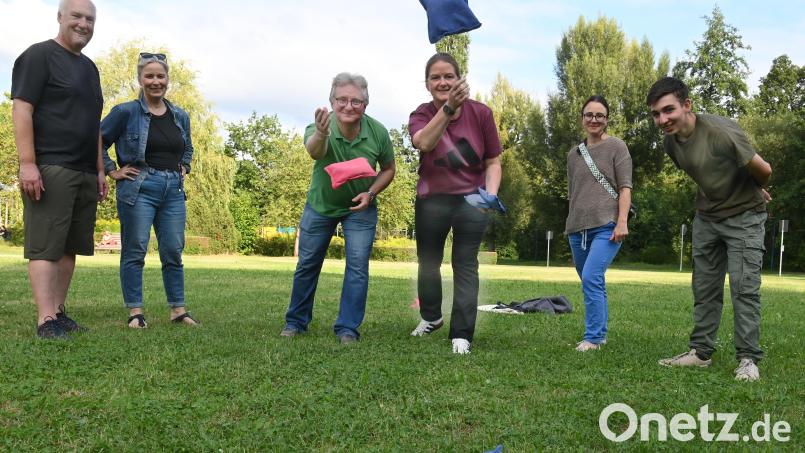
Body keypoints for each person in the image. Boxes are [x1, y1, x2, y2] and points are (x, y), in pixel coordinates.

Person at [648, 77, 772, 381]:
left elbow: (765, 170)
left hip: (745, 216)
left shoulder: (721, 132)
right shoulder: (670, 142)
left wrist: (757, 189)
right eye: (656, 114)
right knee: (704, 288)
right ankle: (700, 354)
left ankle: (747, 360)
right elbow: (705, 172)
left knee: (743, 288)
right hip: (707, 218)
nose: (662, 120)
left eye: (668, 110)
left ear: (687, 105)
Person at [11, 0, 107, 339]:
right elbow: (22, 109)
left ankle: (59, 312)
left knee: (69, 246)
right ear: (60, 18)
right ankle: (45, 319)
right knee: (46, 245)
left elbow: (95, 125)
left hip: (83, 170)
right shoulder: (38, 56)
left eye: (90, 19)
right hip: (51, 166)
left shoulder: (90, 69)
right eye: (77, 16)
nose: (84, 24)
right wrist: (28, 163)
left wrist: (99, 169)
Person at [280, 73, 396, 343]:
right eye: (342, 99)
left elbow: (389, 169)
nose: (348, 106)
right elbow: (315, 152)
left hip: (360, 209)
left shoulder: (377, 132)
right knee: (308, 263)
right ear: (332, 101)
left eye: (356, 101)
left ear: (365, 105)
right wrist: (322, 133)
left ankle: (347, 328)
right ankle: (296, 322)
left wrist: (371, 192)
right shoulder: (320, 126)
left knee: (357, 267)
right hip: (321, 206)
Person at [408, 53, 503, 354]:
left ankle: (461, 333)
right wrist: (449, 109)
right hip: (431, 198)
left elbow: (494, 161)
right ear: (427, 84)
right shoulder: (420, 114)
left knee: (464, 263)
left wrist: (490, 195)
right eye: (435, 77)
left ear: (460, 79)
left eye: (448, 76)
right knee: (428, 263)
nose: (442, 82)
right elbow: (424, 143)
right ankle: (432, 317)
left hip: (471, 199)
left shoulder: (482, 114)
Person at [100, 52, 197, 328]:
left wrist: (185, 167)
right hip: (139, 188)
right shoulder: (125, 112)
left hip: (173, 190)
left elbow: (187, 146)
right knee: (135, 250)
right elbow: (98, 139)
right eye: (149, 76)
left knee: (172, 250)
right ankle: (136, 312)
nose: (156, 81)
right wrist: (112, 170)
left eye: (161, 76)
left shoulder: (180, 115)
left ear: (167, 80)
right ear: (140, 79)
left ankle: (178, 310)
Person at [565, 95, 633, 352]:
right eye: (589, 115)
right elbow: (573, 192)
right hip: (576, 228)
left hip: (607, 224)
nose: (594, 120)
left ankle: (593, 338)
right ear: (582, 118)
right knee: (590, 280)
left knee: (592, 277)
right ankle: (600, 333)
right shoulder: (574, 154)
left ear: (607, 119)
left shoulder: (617, 147)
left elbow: (625, 187)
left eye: (599, 115)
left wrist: (622, 222)